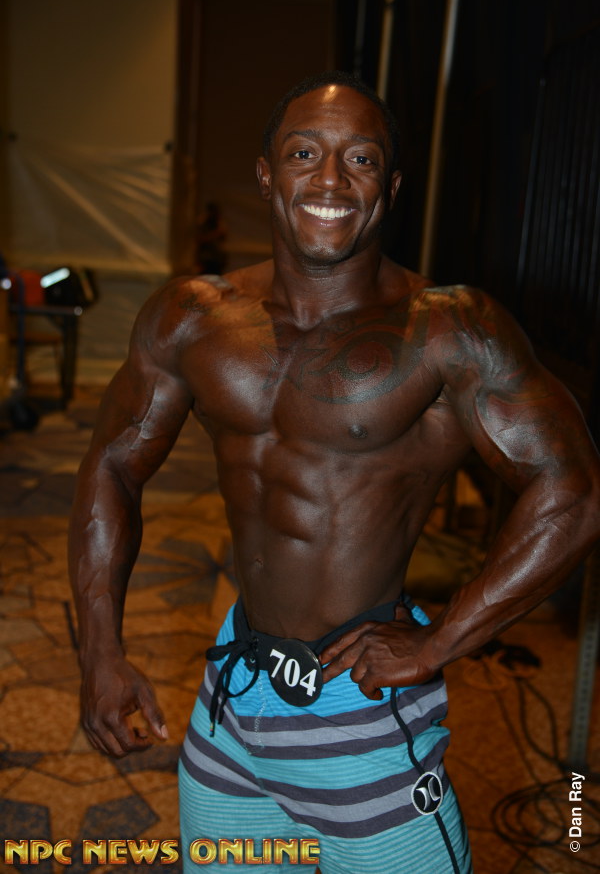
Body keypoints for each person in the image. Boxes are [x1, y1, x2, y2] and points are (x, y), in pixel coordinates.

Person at [69, 71, 600, 874]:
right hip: (232, 704)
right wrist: (100, 651)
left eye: (359, 159)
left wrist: (442, 640)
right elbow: (112, 465)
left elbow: (576, 490)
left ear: (391, 186)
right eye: (304, 154)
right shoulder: (191, 317)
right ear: (265, 174)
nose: (329, 180)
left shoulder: (448, 328)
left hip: (365, 712)